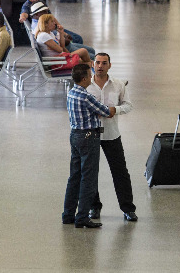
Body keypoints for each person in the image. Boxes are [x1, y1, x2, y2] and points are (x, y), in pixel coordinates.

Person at [62, 63, 116, 228]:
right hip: (89, 137)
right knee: (89, 178)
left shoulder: (71, 93)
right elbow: (106, 112)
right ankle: (83, 217)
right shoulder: (86, 96)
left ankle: (68, 214)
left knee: (75, 177)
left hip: (75, 136)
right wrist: (113, 107)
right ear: (84, 78)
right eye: (89, 74)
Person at [87, 53, 137, 222]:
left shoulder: (118, 85)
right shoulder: (85, 84)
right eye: (97, 63)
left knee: (120, 172)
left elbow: (128, 105)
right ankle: (94, 207)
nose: (100, 66)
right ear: (93, 65)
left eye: (104, 63)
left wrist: (116, 110)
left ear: (109, 65)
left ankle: (128, 208)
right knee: (91, 172)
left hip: (111, 134)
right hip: (91, 134)